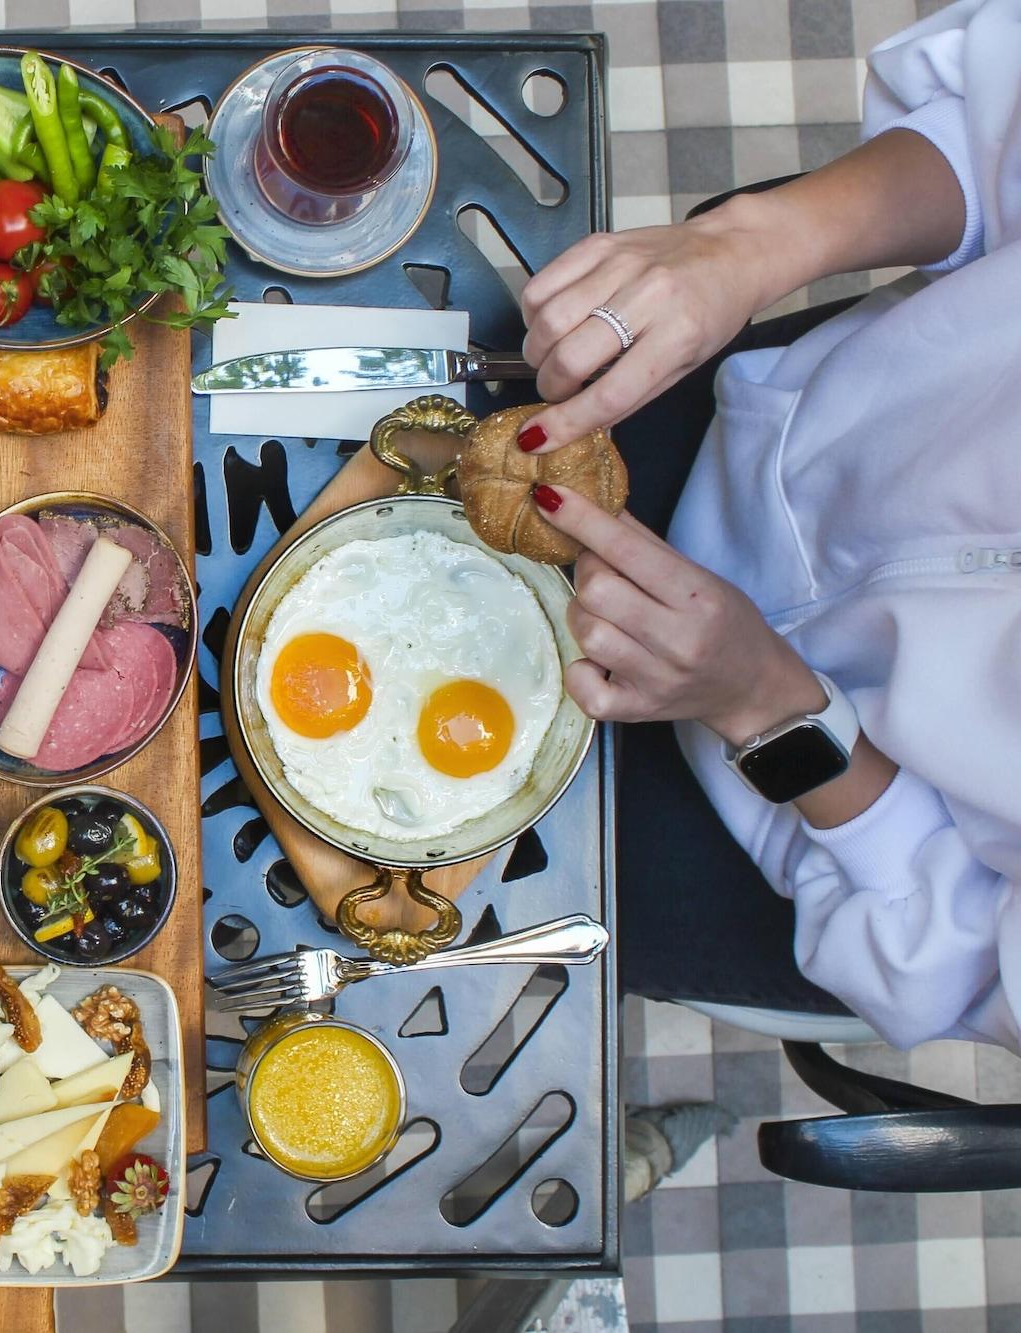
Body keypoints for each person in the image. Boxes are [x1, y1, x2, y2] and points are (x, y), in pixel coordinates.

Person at [513, 0, 1021, 1047]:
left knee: (475, 914)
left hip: (781, 830)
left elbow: (959, 954)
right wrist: (750, 243)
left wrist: (764, 702)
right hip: (750, 425)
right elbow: (990, 125)